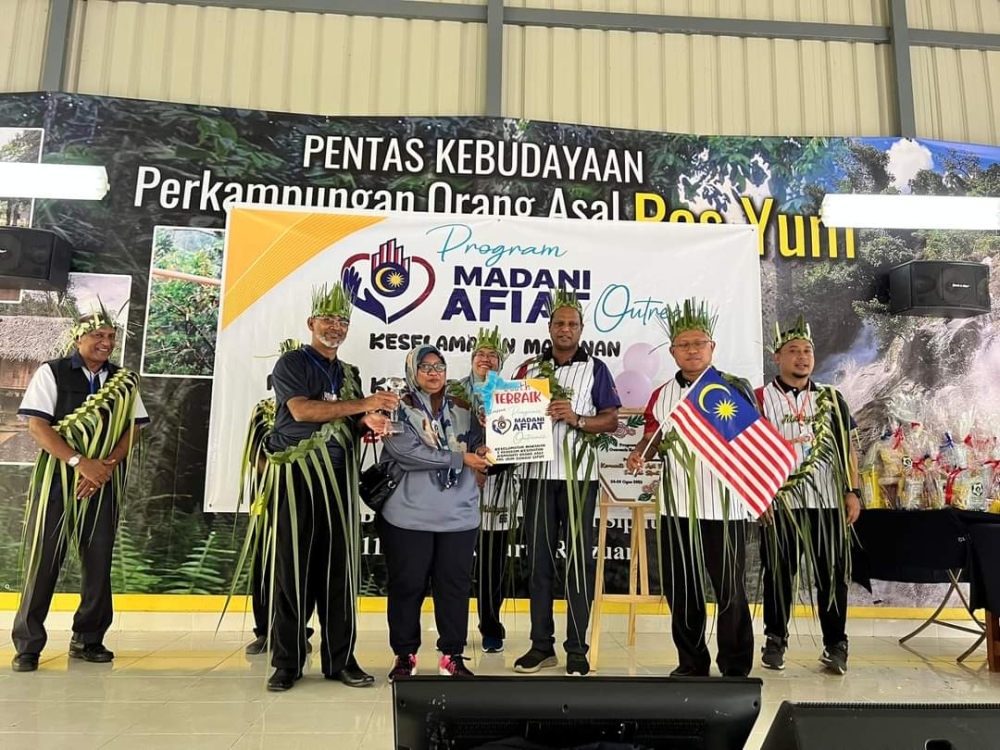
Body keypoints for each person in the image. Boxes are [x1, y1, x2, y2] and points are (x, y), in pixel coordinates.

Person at [263, 283, 398, 692]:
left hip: (339, 482)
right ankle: (287, 662)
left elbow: (348, 423)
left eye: (342, 321)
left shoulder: (349, 373)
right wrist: (362, 405)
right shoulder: (292, 362)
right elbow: (302, 411)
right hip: (298, 477)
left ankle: (341, 660)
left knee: (340, 573)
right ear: (311, 323)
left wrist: (368, 422)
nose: (335, 327)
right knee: (292, 570)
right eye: (328, 319)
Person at [12, 308, 148, 672]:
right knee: (44, 560)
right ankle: (28, 645)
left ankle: (89, 639)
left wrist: (104, 468)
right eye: (98, 336)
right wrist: (79, 463)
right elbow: (38, 427)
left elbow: (134, 427)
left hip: (103, 481)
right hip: (58, 478)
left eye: (111, 337)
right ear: (79, 337)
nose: (105, 343)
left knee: (98, 561)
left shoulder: (123, 380)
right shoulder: (52, 371)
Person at [626, 298, 755, 678]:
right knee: (682, 589)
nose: (693, 349)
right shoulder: (661, 394)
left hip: (725, 506)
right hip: (676, 504)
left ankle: (734, 665)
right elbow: (651, 436)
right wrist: (638, 454)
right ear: (673, 352)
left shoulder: (733, 387)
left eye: (700, 343)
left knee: (729, 587)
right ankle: (691, 662)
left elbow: (752, 441)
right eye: (685, 344)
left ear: (712, 348)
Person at [512, 288, 621, 677]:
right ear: (549, 327)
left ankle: (577, 647)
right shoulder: (527, 369)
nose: (565, 329)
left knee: (578, 565)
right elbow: (508, 421)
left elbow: (611, 420)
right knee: (538, 563)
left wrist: (575, 418)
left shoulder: (596, 369)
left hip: (579, 480)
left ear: (581, 329)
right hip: (536, 478)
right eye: (559, 323)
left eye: (572, 323)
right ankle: (541, 646)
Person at [756, 316, 862, 675]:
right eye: (793, 351)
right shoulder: (759, 399)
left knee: (831, 575)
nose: (801, 357)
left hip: (827, 502)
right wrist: (759, 497)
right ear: (777, 357)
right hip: (780, 502)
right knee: (778, 573)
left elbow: (849, 449)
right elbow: (748, 451)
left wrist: (852, 491)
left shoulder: (832, 398)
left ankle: (836, 644)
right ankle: (775, 639)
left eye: (807, 351)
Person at [378, 345, 491, 680]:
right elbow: (407, 453)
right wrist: (461, 459)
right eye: (425, 366)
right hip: (408, 515)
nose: (432, 372)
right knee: (407, 584)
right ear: (412, 371)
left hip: (459, 515)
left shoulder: (463, 408)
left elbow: (476, 443)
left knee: (454, 586)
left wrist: (482, 448)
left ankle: (452, 656)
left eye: (439, 366)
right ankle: (404, 655)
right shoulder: (397, 409)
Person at [238, 339, 313, 657]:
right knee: (267, 564)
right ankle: (263, 630)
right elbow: (255, 451)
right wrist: (276, 474)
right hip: (271, 494)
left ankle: (299, 630)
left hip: (304, 490)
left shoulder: (313, 409)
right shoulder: (264, 410)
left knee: (301, 564)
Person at [450, 326, 517, 654]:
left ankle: (491, 624)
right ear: (472, 358)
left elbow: (521, 441)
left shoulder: (513, 393)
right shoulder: (452, 391)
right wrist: (469, 466)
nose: (486, 359)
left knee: (492, 560)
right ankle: (452, 631)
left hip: (497, 483)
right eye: (481, 354)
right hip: (458, 481)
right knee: (454, 560)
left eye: (493, 355)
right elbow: (443, 435)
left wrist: (489, 468)